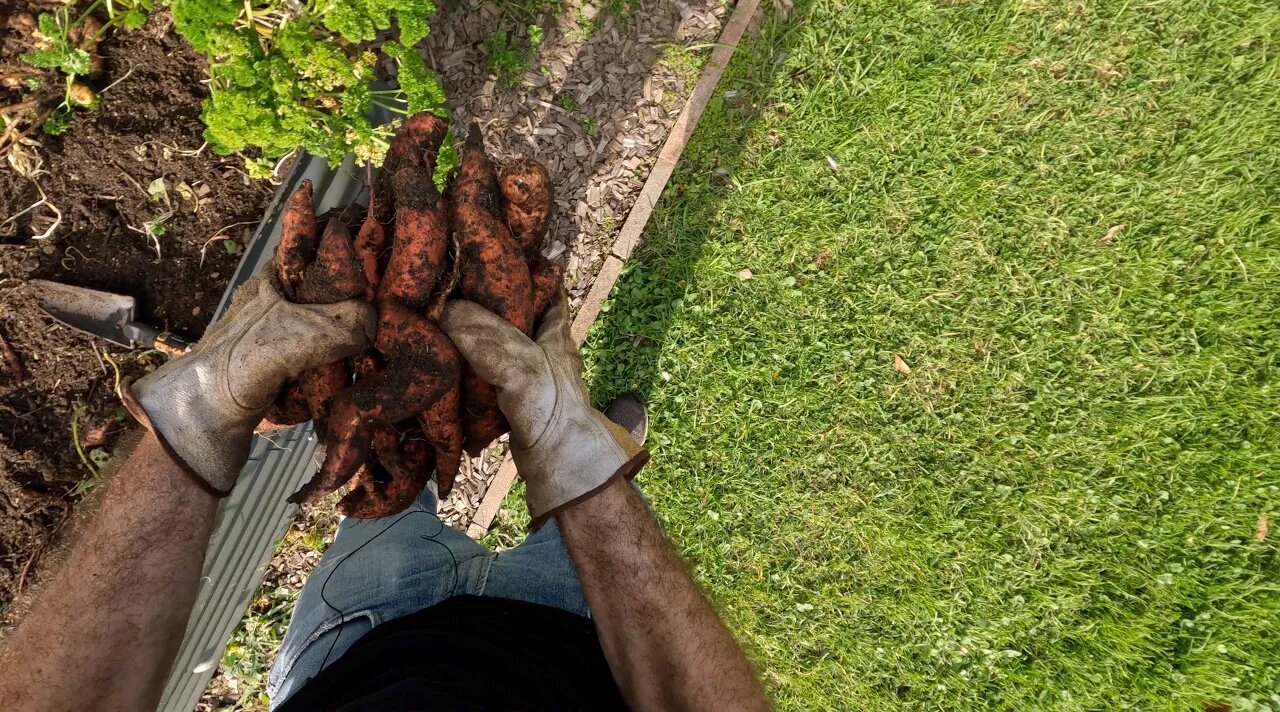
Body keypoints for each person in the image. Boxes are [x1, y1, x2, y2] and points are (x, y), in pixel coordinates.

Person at [0, 270, 770, 712]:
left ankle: (456, 449)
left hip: (356, 638)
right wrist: (585, 479)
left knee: (384, 485)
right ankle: (593, 448)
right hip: (600, 644)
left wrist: (193, 421)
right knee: (585, 527)